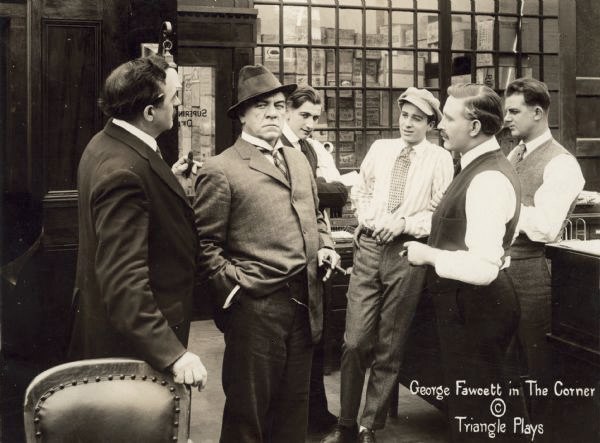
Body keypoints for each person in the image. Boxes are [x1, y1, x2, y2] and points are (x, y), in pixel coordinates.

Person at [193, 64, 340, 443]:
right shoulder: (220, 169)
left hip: (306, 304)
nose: (273, 112)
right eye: (261, 106)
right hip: (256, 310)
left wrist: (324, 246)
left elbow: (315, 219)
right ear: (241, 114)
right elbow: (206, 247)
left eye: (278, 104)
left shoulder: (298, 160)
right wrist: (238, 291)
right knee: (249, 415)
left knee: (294, 413)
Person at [322, 87, 453, 443]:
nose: (408, 124)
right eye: (404, 115)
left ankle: (368, 425)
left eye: (417, 118)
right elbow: (360, 191)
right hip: (368, 247)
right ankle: (345, 423)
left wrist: (405, 223)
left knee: (389, 344)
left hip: (406, 253)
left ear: (430, 124)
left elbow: (438, 214)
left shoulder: (439, 159)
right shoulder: (381, 150)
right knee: (354, 341)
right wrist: (369, 217)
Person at [68, 55, 207, 390]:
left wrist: (169, 180)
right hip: (134, 352)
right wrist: (174, 354)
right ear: (149, 113)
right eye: (174, 98)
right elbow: (124, 281)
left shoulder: (108, 142)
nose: (178, 104)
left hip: (112, 333)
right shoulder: (123, 171)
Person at [404, 83, 524, 442]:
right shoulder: (480, 167)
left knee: (479, 417)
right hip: (469, 309)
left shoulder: (486, 177)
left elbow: (485, 267)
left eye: (449, 117)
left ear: (474, 127)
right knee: (475, 411)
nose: (441, 125)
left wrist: (428, 255)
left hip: (478, 309)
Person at [503, 78, 585, 428]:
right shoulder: (515, 153)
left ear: (538, 113)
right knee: (507, 364)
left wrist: (504, 205)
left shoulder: (561, 163)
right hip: (504, 269)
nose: (506, 118)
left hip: (534, 273)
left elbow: (547, 226)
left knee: (537, 366)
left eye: (514, 111)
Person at [281, 84, 348, 433]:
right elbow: (327, 192)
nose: (310, 123)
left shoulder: (309, 148)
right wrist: (330, 190)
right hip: (288, 255)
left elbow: (330, 197)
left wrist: (328, 244)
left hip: (315, 249)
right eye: (304, 115)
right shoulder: (277, 148)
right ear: (287, 112)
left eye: (315, 118)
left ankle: (315, 413)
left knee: (315, 336)